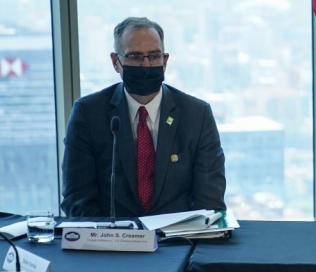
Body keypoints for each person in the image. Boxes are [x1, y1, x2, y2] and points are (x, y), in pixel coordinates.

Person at [61, 17, 226, 218]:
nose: (146, 65)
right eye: (135, 57)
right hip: (113, 242)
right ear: (116, 62)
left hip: (180, 242)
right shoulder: (88, 114)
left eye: (154, 56)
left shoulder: (197, 115)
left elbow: (209, 201)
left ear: (165, 61)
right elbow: (77, 199)